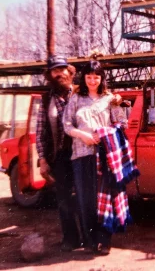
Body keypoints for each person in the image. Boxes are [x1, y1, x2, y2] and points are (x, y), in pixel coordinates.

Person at [63, 61, 138, 255]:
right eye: (89, 76)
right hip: (81, 155)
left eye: (96, 76)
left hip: (105, 156)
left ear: (101, 78)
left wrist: (104, 133)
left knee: (104, 199)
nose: (92, 80)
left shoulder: (109, 99)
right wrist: (83, 136)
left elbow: (122, 123)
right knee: (85, 199)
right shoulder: (76, 99)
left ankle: (105, 241)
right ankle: (89, 242)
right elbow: (66, 125)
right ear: (84, 78)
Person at [36, 55, 81, 252]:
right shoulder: (46, 100)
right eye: (55, 71)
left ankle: (90, 237)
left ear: (69, 72)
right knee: (64, 199)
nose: (59, 74)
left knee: (86, 196)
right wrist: (43, 160)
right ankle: (70, 239)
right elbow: (40, 132)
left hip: (84, 154)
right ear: (50, 75)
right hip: (61, 156)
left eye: (63, 69)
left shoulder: (81, 93)